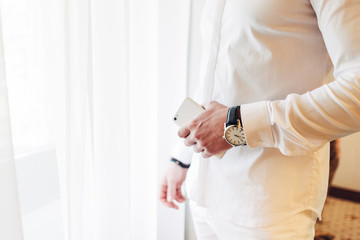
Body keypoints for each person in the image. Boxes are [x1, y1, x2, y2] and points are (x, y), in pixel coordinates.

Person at [160, 0, 360, 239]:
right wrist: (182, 158)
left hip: (267, 204)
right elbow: (217, 70)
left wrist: (238, 125)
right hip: (204, 191)